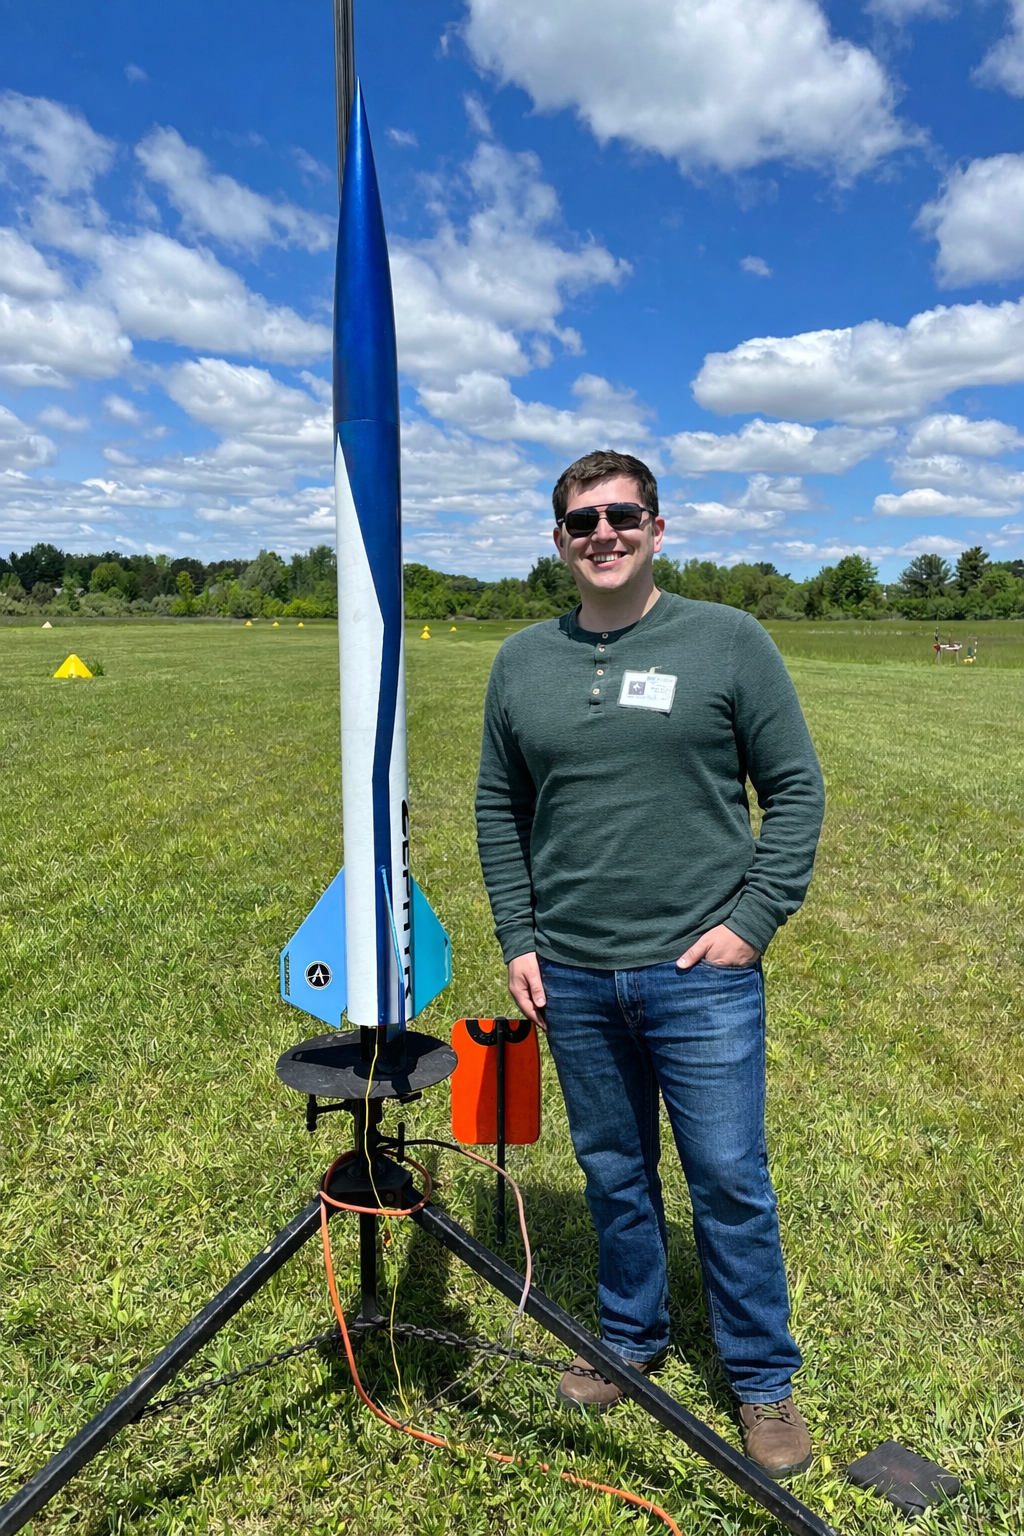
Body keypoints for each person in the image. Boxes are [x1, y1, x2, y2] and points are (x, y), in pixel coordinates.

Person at [474, 450, 825, 1478]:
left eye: (622, 515)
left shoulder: (727, 641)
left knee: (725, 1177)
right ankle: (628, 1341)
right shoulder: (520, 661)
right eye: (582, 522)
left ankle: (761, 1380)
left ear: (658, 527)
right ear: (558, 543)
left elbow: (795, 791)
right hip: (574, 972)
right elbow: (501, 807)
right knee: (612, 1170)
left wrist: (753, 921)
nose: (603, 534)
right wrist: (519, 935)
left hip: (699, 972)